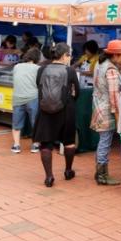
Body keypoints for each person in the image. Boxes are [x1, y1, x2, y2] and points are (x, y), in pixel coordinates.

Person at [33, 43, 80, 187]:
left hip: (45, 110)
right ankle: (68, 171)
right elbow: (77, 91)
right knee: (69, 142)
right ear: (64, 55)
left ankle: (49, 176)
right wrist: (70, 100)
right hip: (66, 109)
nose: (70, 58)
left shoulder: (41, 69)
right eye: (69, 55)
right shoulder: (70, 70)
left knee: (46, 143)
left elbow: (38, 86)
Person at [91, 40, 121, 186]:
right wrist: (119, 119)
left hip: (98, 107)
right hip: (107, 110)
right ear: (114, 55)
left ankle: (100, 172)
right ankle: (102, 175)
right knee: (105, 142)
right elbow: (114, 98)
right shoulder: (111, 70)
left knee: (103, 141)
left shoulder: (100, 64)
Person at [11, 48, 41, 154]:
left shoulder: (17, 66)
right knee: (35, 123)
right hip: (33, 97)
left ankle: (16, 145)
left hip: (17, 98)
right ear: (37, 58)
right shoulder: (38, 68)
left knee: (16, 123)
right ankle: (35, 144)